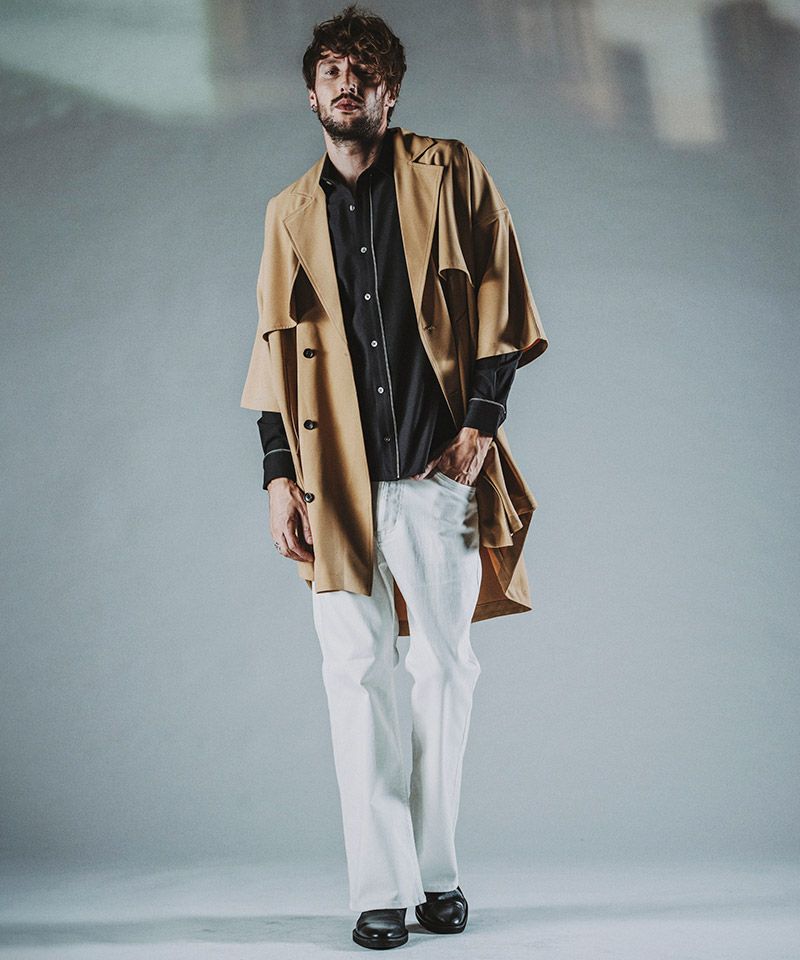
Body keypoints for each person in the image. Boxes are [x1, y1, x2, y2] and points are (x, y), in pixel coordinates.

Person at [240, 4, 548, 950]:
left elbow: (501, 290)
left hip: (434, 473)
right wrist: (277, 478)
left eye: (364, 71)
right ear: (311, 94)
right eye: (332, 70)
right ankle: (380, 889)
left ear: (391, 91)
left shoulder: (450, 172)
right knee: (354, 675)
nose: (347, 83)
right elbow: (271, 350)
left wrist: (480, 429)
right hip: (332, 484)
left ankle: (437, 872)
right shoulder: (288, 213)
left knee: (444, 668)